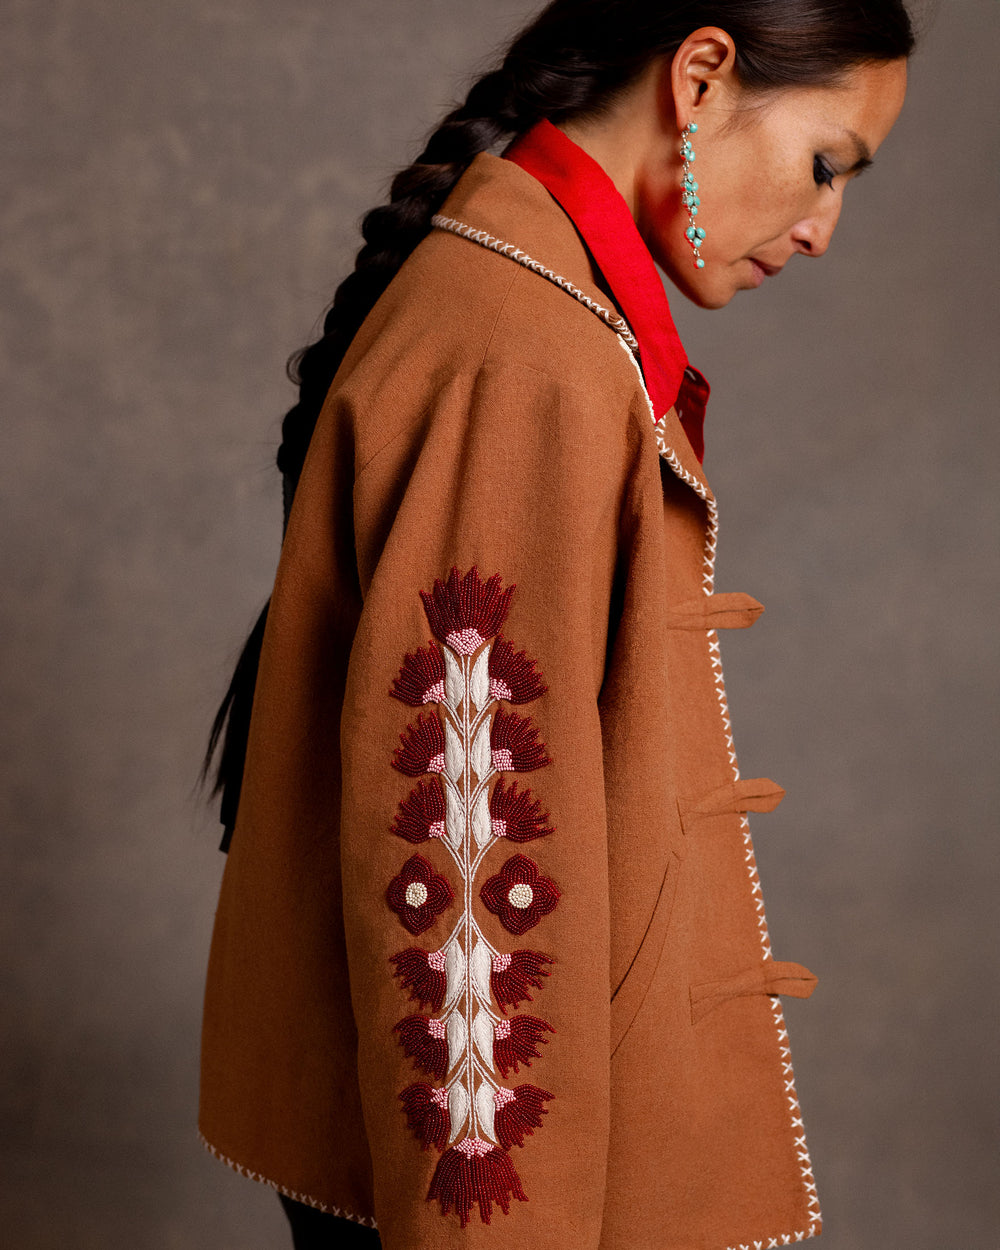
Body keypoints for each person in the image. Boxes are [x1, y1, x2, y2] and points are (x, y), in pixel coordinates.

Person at [198, 3, 912, 1247]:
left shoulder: (539, 300)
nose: (820, 228)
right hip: (490, 1185)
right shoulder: (524, 354)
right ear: (699, 78)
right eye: (824, 163)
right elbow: (462, 865)